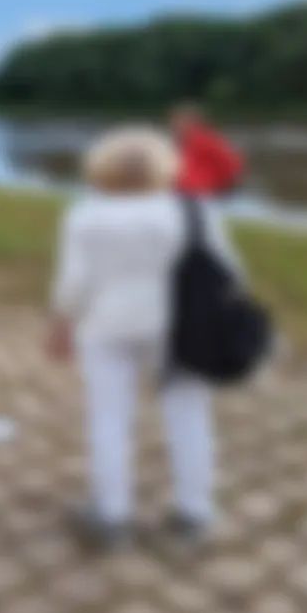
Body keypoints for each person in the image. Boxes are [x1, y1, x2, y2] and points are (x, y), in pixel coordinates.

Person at [50, 126, 242, 550]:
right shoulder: (196, 210)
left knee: (109, 420)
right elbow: (230, 273)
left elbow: (73, 283)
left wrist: (61, 326)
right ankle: (195, 515)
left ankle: (112, 516)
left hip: (105, 325)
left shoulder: (84, 213)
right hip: (180, 329)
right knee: (190, 418)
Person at [171, 104, 243, 197]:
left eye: (180, 120)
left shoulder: (209, 140)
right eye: (175, 121)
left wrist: (219, 188)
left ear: (194, 121)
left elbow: (232, 166)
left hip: (205, 192)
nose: (176, 124)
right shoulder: (179, 142)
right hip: (182, 193)